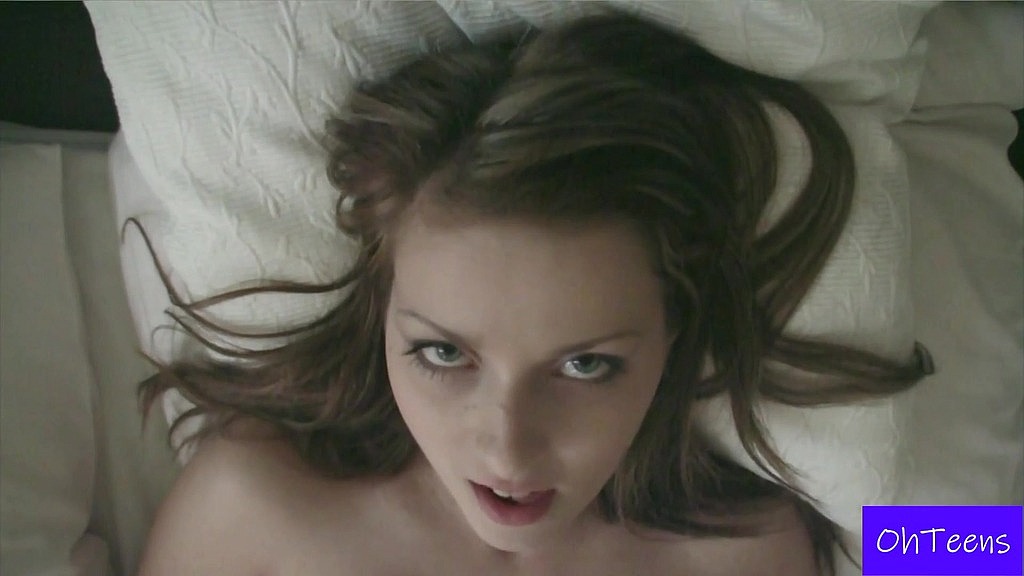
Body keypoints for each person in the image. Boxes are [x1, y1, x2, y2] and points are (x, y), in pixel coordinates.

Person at [135, 12, 931, 576]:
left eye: (586, 366)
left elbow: (970, 540)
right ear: (383, 309)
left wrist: (971, 544)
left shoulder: (744, 549)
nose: (508, 450)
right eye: (442, 353)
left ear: (673, 330)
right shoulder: (252, 508)